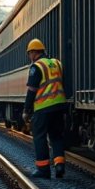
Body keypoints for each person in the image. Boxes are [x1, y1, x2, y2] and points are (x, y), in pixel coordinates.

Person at [22, 38, 67, 179]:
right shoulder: (56, 63)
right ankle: (59, 165)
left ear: (34, 52)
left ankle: (43, 169)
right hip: (59, 106)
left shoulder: (36, 67)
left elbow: (32, 90)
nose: (29, 57)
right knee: (56, 136)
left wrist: (26, 110)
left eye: (29, 54)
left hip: (43, 106)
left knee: (39, 136)